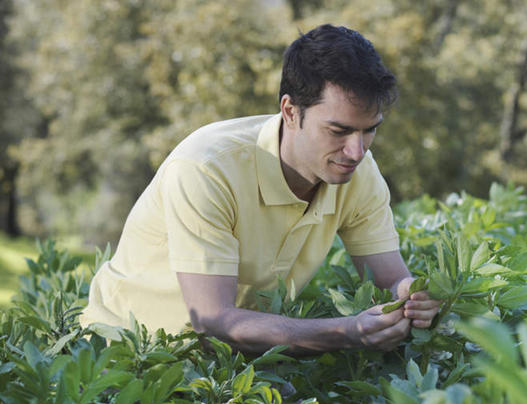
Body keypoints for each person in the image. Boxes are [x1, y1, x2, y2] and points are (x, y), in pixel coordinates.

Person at [80, 24, 440, 355]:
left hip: (233, 367)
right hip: (125, 355)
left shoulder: (359, 172)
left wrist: (408, 297)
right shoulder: (206, 168)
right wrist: (346, 331)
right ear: (290, 111)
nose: (357, 151)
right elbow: (212, 319)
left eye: (369, 130)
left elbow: (390, 280)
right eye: (339, 131)